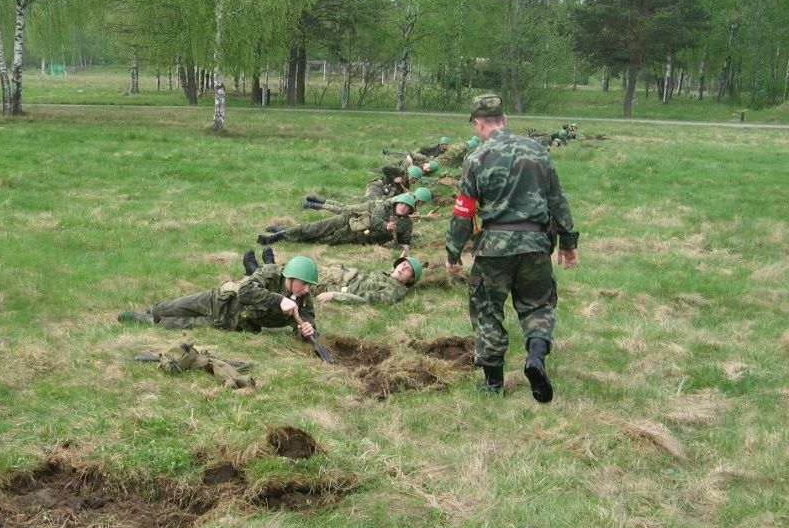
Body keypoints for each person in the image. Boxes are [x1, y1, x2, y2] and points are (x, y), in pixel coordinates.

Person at [445, 94, 579, 403]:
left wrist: (453, 253)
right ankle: (535, 357)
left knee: (487, 309)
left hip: (494, 249)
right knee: (538, 305)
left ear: (479, 124)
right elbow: (558, 201)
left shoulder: (476, 159)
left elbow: (463, 212)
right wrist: (568, 244)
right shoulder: (538, 151)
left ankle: (493, 383)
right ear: (504, 120)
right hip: (535, 245)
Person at [118, 255, 318, 339]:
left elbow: (308, 324)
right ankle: (152, 312)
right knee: (168, 308)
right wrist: (278, 300)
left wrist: (307, 330)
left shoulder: (303, 299)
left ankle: (146, 321)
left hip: (231, 323)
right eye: (304, 283)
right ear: (289, 277)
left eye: (310, 285)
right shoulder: (270, 273)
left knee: (176, 324)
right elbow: (245, 291)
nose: (307, 289)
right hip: (219, 300)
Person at [246, 248, 423, 305]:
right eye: (402, 264)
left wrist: (336, 295)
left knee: (299, 282)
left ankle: (255, 269)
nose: (402, 268)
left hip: (337, 287)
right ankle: (269, 265)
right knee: (302, 268)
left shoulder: (394, 291)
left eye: (407, 269)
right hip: (341, 274)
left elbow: (365, 300)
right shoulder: (388, 275)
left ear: (410, 280)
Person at [260, 194, 416, 252]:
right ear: (397, 203)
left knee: (320, 240)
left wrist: (405, 245)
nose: (403, 207)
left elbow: (405, 239)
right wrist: (386, 226)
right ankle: (278, 235)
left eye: (407, 207)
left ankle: (285, 231)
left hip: (357, 237)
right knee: (315, 228)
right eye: (402, 204)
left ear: (409, 211)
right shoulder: (384, 206)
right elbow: (375, 220)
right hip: (349, 221)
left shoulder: (407, 224)